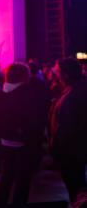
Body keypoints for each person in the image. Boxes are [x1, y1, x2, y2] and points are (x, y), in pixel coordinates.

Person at [0, 63, 49, 205]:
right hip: (23, 143)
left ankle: (0, 202)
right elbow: (32, 117)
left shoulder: (2, 92)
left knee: (7, 176)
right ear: (24, 76)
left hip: (5, 141)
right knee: (23, 179)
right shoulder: (25, 93)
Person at [50, 58, 87, 203]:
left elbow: (67, 128)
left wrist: (56, 149)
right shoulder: (77, 89)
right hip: (76, 149)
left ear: (65, 74)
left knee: (76, 188)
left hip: (72, 151)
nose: (55, 74)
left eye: (57, 71)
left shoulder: (73, 96)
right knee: (78, 187)